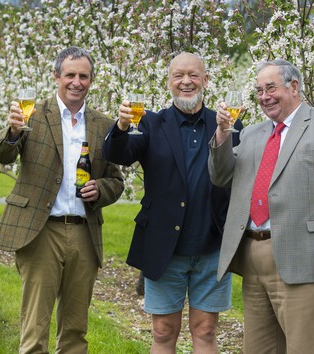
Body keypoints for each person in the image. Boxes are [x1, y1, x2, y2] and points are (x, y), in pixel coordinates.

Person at [208, 59, 314, 353]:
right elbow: (220, 176)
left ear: (294, 86)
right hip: (253, 255)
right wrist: (222, 134)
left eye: (271, 88)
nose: (264, 96)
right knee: (259, 348)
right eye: (259, 90)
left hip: (304, 257)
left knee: (307, 347)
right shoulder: (253, 133)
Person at [0, 46, 124, 353]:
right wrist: (11, 130)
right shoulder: (31, 113)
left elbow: (116, 180)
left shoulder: (103, 124)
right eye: (70, 75)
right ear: (56, 77)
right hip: (41, 231)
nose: (77, 82)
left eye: (84, 76)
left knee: (76, 331)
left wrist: (101, 189)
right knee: (35, 329)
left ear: (92, 81)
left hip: (84, 233)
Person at [103, 52, 242, 353]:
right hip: (165, 247)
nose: (186, 81)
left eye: (193, 75)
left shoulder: (225, 124)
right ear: (169, 82)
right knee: (164, 331)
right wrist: (122, 127)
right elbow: (119, 154)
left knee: (205, 330)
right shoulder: (151, 123)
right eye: (179, 75)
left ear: (206, 80)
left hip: (211, 247)